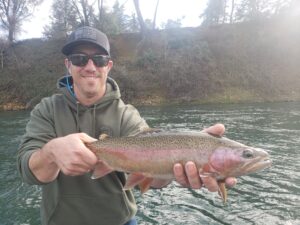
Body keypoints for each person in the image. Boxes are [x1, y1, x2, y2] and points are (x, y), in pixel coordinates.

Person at [17, 26, 236, 225]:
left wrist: (184, 156)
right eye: (79, 58)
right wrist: (51, 152)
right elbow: (28, 171)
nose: (90, 66)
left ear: (108, 66)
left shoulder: (126, 114)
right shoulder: (46, 110)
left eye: (99, 59)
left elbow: (154, 180)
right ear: (68, 64)